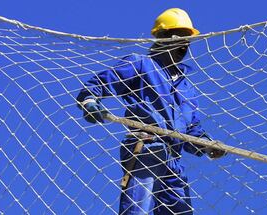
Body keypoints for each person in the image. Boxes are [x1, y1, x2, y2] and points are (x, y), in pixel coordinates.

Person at [76, 8, 226, 215]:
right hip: (147, 143)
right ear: (163, 37)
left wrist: (206, 144)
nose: (183, 44)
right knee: (139, 206)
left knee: (180, 209)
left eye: (187, 39)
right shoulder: (141, 64)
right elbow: (104, 81)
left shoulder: (186, 88)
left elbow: (191, 129)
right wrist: (90, 100)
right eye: (178, 37)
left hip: (174, 159)